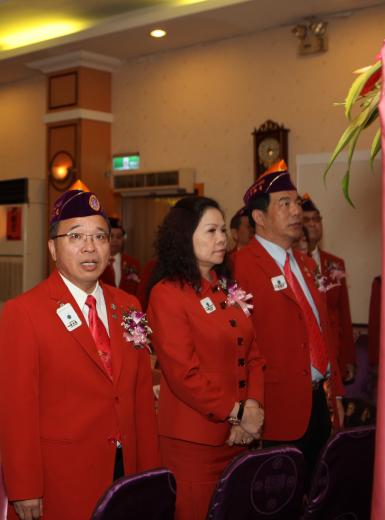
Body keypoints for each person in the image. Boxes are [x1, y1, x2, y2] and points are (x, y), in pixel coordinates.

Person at [0, 189, 161, 520]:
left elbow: (141, 396)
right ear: (52, 247)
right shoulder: (24, 312)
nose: (90, 247)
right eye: (76, 236)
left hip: (125, 469)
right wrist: (25, 487)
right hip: (62, 477)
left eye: (100, 236)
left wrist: (150, 473)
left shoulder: (128, 306)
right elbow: (15, 412)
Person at [147, 196, 265, 520]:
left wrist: (252, 406)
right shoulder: (167, 293)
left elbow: (253, 356)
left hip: (238, 437)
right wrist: (237, 413)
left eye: (223, 230)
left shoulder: (226, 287)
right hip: (194, 444)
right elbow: (184, 375)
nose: (222, 238)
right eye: (211, 231)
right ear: (185, 237)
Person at [233, 161, 343, 472]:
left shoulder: (306, 264)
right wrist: (242, 411)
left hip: (320, 402)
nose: (296, 211)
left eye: (296, 202)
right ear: (259, 218)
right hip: (275, 411)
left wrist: (337, 395)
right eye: (285, 204)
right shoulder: (240, 267)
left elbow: (323, 329)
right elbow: (237, 345)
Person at [302, 195, 356, 383]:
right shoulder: (289, 262)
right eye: (306, 220)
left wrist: (348, 358)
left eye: (316, 219)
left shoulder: (335, 264)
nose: (313, 224)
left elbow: (343, 312)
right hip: (304, 353)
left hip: (333, 349)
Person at [100, 217, 142, 295]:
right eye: (111, 236)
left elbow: (138, 291)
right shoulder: (97, 262)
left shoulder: (133, 263)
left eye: (119, 237)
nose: (115, 240)